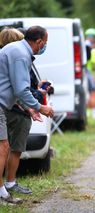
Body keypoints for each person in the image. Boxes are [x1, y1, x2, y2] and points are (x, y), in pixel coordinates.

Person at [0, 25, 54, 204]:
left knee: (4, 147)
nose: (44, 46)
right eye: (44, 43)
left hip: (6, 104)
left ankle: (3, 193)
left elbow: (11, 87)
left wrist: (29, 108)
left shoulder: (15, 49)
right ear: (38, 41)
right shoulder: (21, 55)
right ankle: (2, 194)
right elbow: (21, 89)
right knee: (3, 148)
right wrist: (40, 107)